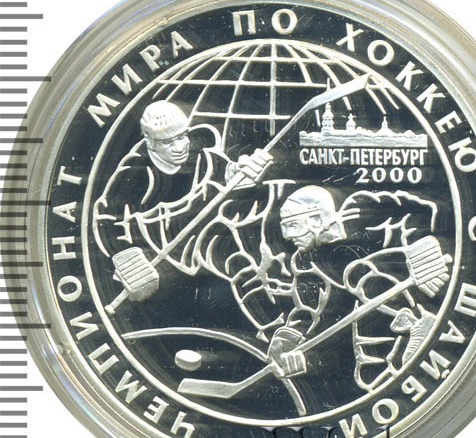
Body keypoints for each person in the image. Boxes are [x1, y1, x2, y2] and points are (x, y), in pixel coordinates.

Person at [228, 185, 450, 391]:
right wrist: (289, 341)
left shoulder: (362, 212)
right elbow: (309, 310)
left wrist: (426, 245)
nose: (287, 236)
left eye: (292, 225)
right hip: (374, 313)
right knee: (370, 376)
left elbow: (424, 211)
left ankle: (417, 318)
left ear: (316, 219)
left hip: (418, 272)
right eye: (284, 227)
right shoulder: (306, 260)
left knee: (354, 271)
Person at [93, 100, 272, 302]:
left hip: (208, 244)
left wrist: (243, 174)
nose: (179, 148)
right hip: (162, 258)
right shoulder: (137, 172)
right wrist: (127, 261)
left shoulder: (205, 158)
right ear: (150, 141)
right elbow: (106, 216)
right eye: (168, 142)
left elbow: (229, 176)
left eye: (181, 137)